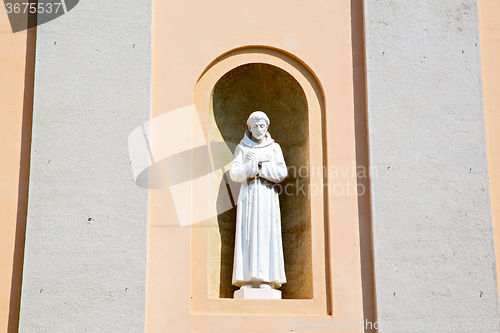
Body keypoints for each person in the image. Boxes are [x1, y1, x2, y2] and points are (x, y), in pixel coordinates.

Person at [230, 111, 287, 290]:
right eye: (255, 126)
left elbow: (281, 173)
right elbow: (234, 174)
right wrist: (252, 164)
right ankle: (247, 280)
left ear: (267, 127)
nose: (258, 129)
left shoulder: (274, 148)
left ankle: (266, 280)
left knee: (265, 234)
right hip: (249, 197)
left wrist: (260, 165)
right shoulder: (243, 148)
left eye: (261, 126)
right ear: (249, 127)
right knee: (248, 235)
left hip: (267, 196)